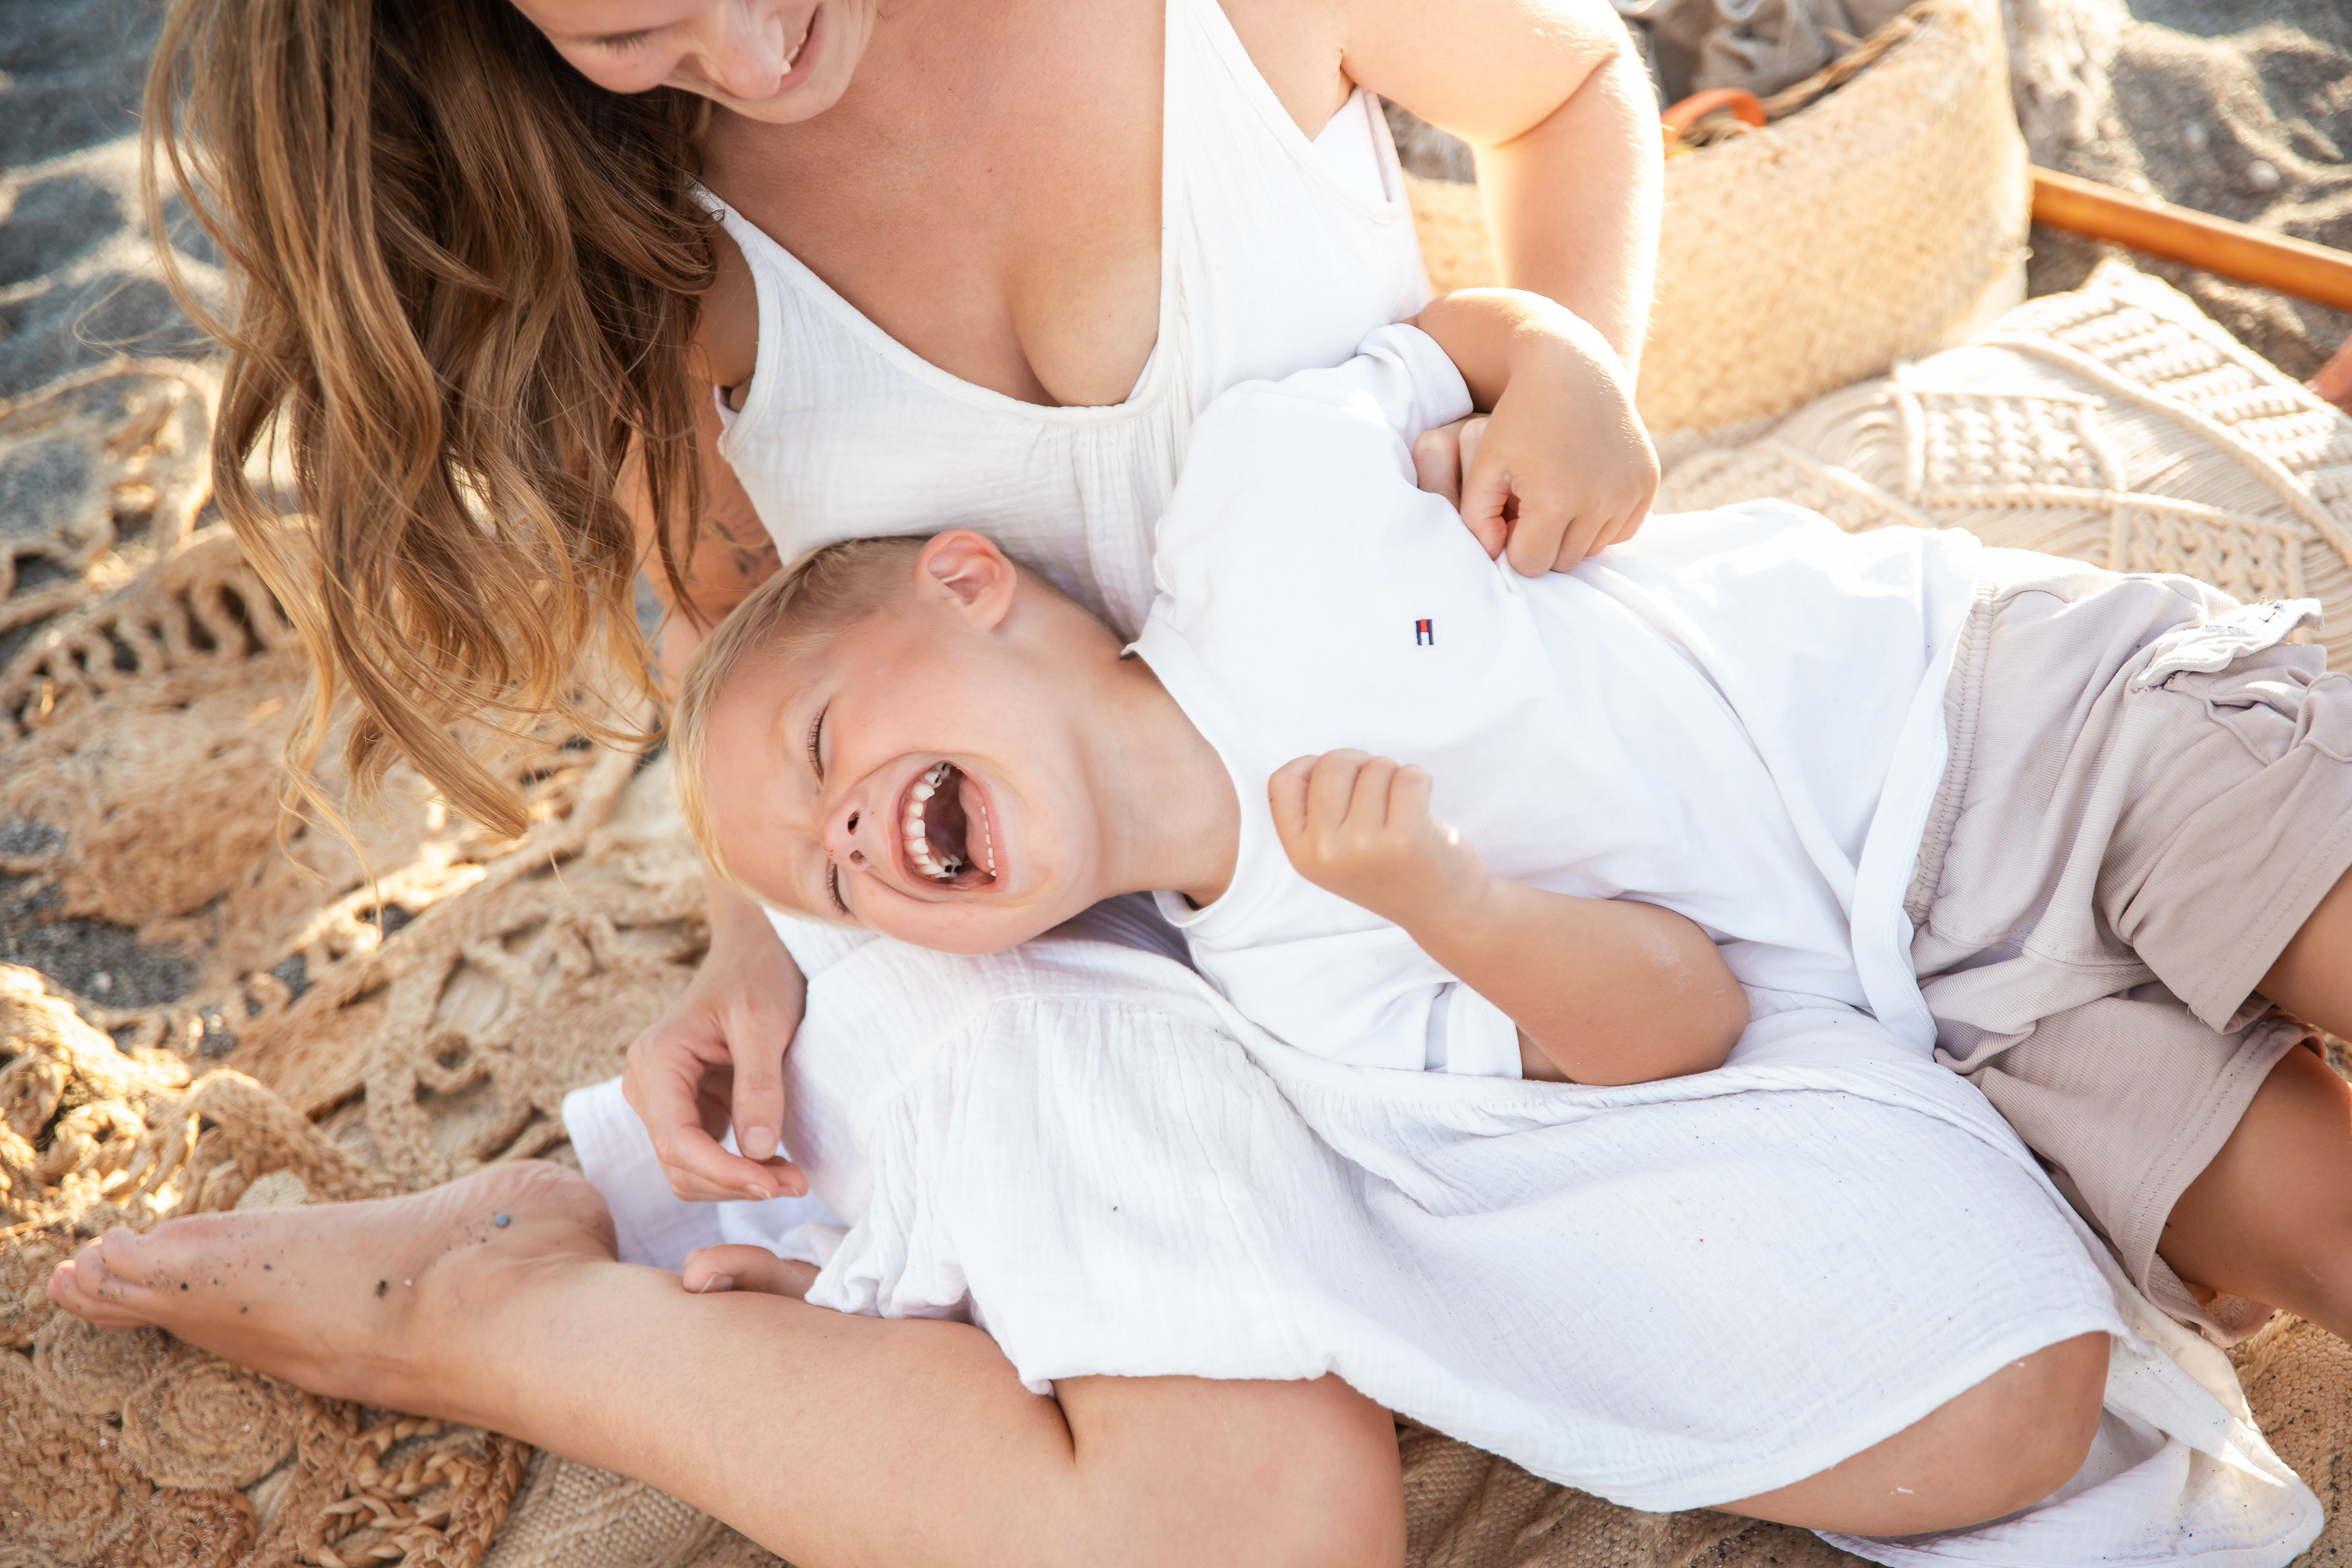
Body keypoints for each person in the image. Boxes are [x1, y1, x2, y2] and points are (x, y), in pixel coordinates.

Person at [92, 0, 2179, 1558]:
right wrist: (756, 942)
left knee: (1963, 1378)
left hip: (1404, 803)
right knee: (1250, 1530)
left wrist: (1570, 366)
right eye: (633, 26)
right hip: (1034, 943)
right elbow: (736, 645)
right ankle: (503, 1312)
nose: (737, 46)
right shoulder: (642, 242)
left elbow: (1566, 96)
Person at [669, 298, 2352, 1352]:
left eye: (828, 747)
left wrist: (1567, 374)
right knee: (2315, 1231)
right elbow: (1686, 1014)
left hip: (2008, 720)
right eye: (832, 879)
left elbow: (1465, 339)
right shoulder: (1296, 987)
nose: (855, 836)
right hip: (1969, 1012)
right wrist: (1450, 904)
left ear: (971, 582)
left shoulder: (1253, 505)